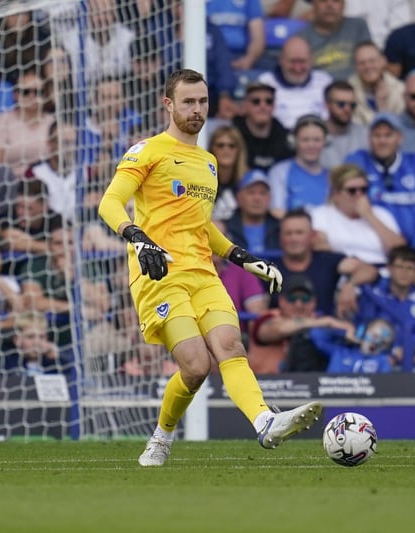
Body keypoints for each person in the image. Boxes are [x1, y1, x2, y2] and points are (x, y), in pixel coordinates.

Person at [97, 69, 322, 467]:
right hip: (159, 274)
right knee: (197, 365)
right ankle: (161, 438)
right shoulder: (147, 150)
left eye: (202, 101)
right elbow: (109, 203)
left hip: (203, 272)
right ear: (169, 104)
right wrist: (136, 236)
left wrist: (242, 257)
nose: (196, 109)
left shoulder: (210, 162)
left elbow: (200, 224)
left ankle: (264, 421)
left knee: (231, 347)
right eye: (188, 101)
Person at [345, 112, 415, 238]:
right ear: (369, 139)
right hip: (373, 241)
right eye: (377, 135)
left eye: (388, 135)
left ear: (400, 138)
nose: (382, 141)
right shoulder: (358, 160)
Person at [272, 208, 379, 318]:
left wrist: (350, 284)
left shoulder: (328, 261)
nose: (294, 238)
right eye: (288, 233)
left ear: (312, 236)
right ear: (280, 237)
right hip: (280, 330)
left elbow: (369, 271)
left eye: (299, 233)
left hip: (324, 329)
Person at [352, 245, 415, 370]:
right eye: (399, 267)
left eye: (410, 268)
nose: (404, 272)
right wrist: (391, 349)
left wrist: (405, 348)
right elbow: (365, 326)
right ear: (389, 268)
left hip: (410, 351)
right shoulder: (374, 294)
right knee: (384, 360)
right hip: (378, 349)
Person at [310, 163, 404, 266]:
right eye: (352, 191)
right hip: (340, 270)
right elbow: (319, 247)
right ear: (335, 194)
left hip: (381, 270)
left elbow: (400, 252)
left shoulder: (381, 214)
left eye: (363, 190)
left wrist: (370, 216)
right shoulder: (320, 215)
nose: (359, 195)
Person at [256, 274, 351, 372]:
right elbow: (276, 330)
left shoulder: (323, 322)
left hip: (314, 383)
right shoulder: (268, 318)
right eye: (292, 298)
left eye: (305, 298)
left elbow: (349, 331)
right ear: (281, 301)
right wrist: (323, 323)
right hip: (269, 383)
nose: (299, 304)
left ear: (314, 302)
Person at [258, 36, 333, 130]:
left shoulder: (324, 81)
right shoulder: (266, 82)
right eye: (292, 62)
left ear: (311, 60)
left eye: (302, 61)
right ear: (281, 60)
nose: (297, 68)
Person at [268, 114, 331, 217]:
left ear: (325, 142)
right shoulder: (279, 172)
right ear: (294, 141)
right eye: (305, 140)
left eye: (317, 140)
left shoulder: (332, 177)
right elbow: (276, 212)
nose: (311, 145)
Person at [295, 0, 372, 81]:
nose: (330, 5)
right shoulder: (301, 38)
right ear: (314, 5)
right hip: (318, 90)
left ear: (344, 5)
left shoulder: (358, 26)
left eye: (336, 1)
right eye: (323, 1)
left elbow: (370, 62)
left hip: (356, 88)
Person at [232, 81, 293, 172]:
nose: (263, 106)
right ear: (245, 106)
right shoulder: (233, 135)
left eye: (269, 101)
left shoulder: (284, 137)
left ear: (273, 106)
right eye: (256, 101)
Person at [348, 41, 406, 127]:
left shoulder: (400, 89)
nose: (367, 67)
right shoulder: (348, 91)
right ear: (355, 67)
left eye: (372, 61)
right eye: (361, 63)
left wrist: (381, 109)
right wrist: (381, 110)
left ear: (383, 61)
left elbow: (400, 126)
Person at [223, 169, 281, 254]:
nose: (257, 198)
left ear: (270, 198)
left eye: (262, 193)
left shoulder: (280, 229)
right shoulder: (225, 229)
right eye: (251, 192)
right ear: (238, 198)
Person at [320, 80, 369, 169]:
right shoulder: (315, 137)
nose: (347, 109)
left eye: (352, 105)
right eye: (341, 104)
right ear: (327, 105)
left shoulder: (365, 134)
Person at [208, 125, 249, 221]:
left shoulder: (248, 182)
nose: (226, 150)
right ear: (211, 149)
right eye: (220, 145)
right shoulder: (201, 180)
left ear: (239, 150)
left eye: (232, 146)